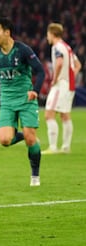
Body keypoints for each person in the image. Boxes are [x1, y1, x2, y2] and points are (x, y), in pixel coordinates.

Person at [0, 17, 45, 187]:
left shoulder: (23, 50)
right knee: (5, 140)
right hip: (7, 101)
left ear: (7, 32)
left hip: (26, 100)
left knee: (30, 140)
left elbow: (40, 71)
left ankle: (35, 175)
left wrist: (35, 90)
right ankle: (27, 136)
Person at [42, 23, 82, 154]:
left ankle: (53, 147)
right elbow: (78, 65)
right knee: (65, 115)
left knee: (49, 114)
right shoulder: (67, 47)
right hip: (69, 85)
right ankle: (65, 147)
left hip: (60, 85)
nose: (47, 37)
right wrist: (70, 76)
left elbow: (59, 63)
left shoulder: (56, 47)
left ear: (52, 34)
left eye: (48, 34)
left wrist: (55, 79)